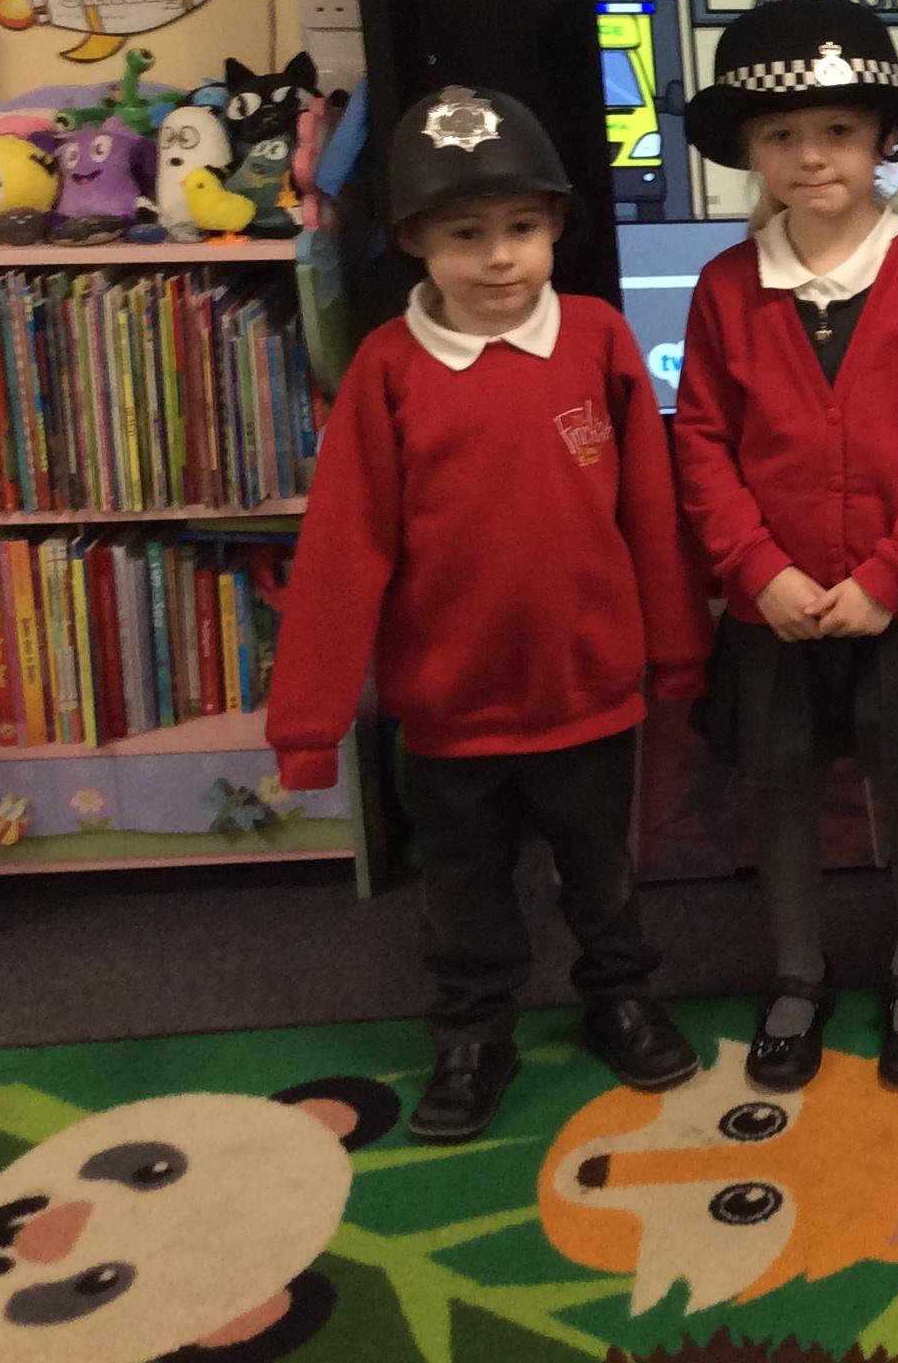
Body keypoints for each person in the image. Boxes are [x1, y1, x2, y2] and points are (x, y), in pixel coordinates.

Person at [268, 84, 712, 1142]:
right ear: (414, 240)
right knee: (463, 892)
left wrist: (678, 652)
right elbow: (343, 549)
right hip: (452, 712)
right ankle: (473, 1035)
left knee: (603, 875)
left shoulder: (599, 339)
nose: (500, 257)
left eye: (521, 227)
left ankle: (620, 998)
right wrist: (310, 723)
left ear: (556, 226)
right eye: (466, 234)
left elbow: (651, 513)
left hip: (588, 695)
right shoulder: (387, 370)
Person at [673, 0, 898, 1097]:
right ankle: (797, 973)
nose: (812, 156)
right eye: (783, 133)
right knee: (783, 785)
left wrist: (890, 578)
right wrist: (757, 570)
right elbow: (702, 443)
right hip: (777, 607)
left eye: (840, 130)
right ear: (749, 150)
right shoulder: (723, 289)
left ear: (884, 139)